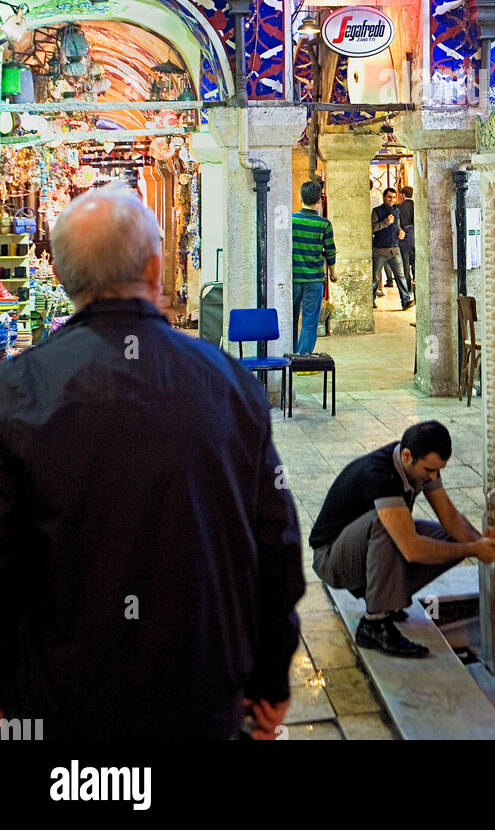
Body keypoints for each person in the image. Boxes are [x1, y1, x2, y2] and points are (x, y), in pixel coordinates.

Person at [0, 183, 305, 740]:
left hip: (63, 711)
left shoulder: (18, 394)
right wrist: (269, 676)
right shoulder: (230, 385)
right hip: (200, 697)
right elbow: (276, 545)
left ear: (64, 278)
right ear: (157, 268)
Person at [310, 421, 495, 658]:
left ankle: (385, 600)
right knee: (385, 525)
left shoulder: (419, 463)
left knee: (453, 541)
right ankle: (374, 623)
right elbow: (412, 549)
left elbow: (451, 519)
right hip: (332, 558)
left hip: (362, 552)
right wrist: (474, 548)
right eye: (429, 470)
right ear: (406, 456)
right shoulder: (381, 475)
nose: (433, 477)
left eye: (438, 470)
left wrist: (482, 544)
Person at [292, 179, 337, 353]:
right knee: (310, 320)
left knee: (292, 319)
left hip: (293, 278)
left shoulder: (291, 221)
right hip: (314, 279)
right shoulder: (324, 224)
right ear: (319, 200)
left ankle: (291, 356)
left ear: (300, 197)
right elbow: (330, 251)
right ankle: (304, 360)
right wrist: (333, 273)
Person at [372, 188, 413, 310]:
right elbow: (372, 228)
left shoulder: (397, 211)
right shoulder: (376, 211)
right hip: (380, 251)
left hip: (395, 249)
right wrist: (386, 222)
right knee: (375, 278)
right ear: (384, 197)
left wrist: (401, 232)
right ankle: (371, 301)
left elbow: (398, 226)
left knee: (400, 277)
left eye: (394, 197)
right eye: (389, 197)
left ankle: (405, 301)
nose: (392, 200)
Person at [397, 184, 415, 292]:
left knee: (405, 266)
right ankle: (417, 288)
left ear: (403, 194)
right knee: (416, 264)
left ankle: (408, 289)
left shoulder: (398, 207)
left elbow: (397, 225)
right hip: (416, 239)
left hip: (404, 240)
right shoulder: (417, 206)